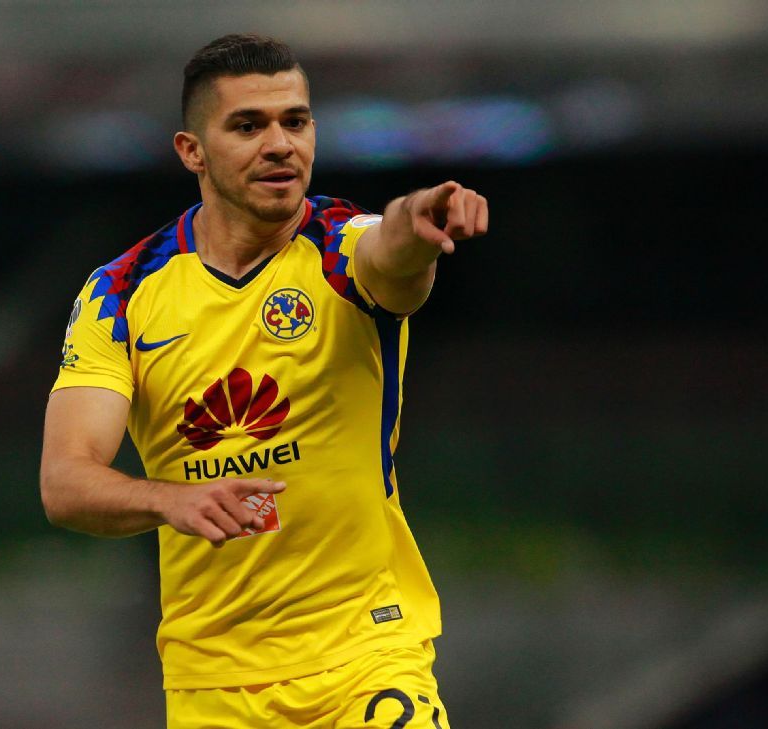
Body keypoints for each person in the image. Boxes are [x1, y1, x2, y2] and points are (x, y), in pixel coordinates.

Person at [40, 34, 488, 728]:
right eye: (249, 125)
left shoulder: (340, 246)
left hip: (368, 650)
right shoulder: (120, 293)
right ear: (192, 150)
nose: (280, 144)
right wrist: (168, 499)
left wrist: (421, 213)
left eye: (296, 121)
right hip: (214, 681)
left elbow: (392, 249)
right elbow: (66, 482)